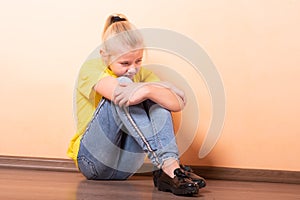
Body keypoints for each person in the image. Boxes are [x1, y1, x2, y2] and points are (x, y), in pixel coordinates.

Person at [67, 13, 206, 196]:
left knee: (157, 100)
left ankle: (170, 166)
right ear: (105, 56)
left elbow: (175, 103)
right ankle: (170, 168)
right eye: (125, 62)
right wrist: (158, 86)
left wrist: (150, 90)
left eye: (138, 61)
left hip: (126, 167)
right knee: (124, 88)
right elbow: (124, 95)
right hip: (93, 162)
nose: (133, 69)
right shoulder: (92, 68)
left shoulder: (143, 75)